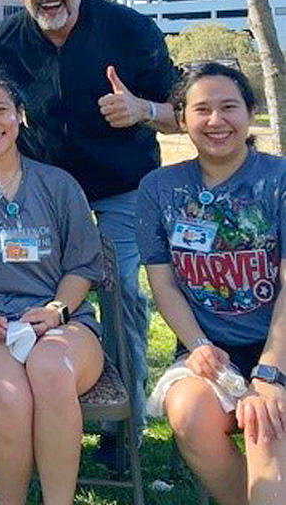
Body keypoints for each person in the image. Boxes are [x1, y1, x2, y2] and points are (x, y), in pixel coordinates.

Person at [0, 0, 179, 433]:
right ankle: (37, 406)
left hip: (121, 187)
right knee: (31, 293)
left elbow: (185, 111)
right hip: (43, 193)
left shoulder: (131, 30)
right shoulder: (3, 42)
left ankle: (123, 426)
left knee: (123, 295)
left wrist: (144, 109)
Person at [0, 70, 105, 505]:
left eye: (0, 110)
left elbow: (83, 267)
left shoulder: (59, 185)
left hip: (63, 323)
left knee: (50, 372)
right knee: (9, 397)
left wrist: (56, 311)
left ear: (20, 115)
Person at [137, 62, 286, 504]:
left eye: (229, 107)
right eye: (202, 109)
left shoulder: (278, 180)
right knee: (188, 412)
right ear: (182, 118)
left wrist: (271, 371)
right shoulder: (158, 188)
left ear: (251, 112)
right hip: (210, 349)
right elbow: (163, 283)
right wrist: (198, 345)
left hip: (278, 344)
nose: (216, 120)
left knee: (265, 428)